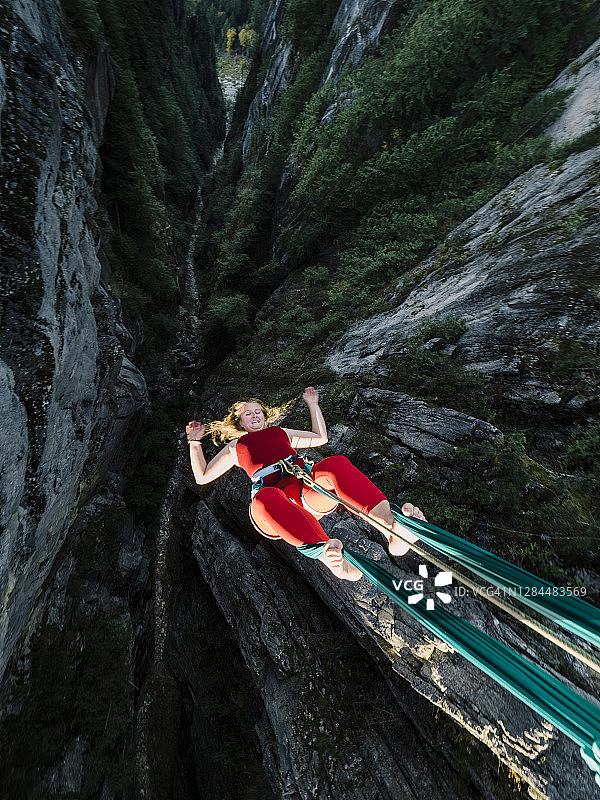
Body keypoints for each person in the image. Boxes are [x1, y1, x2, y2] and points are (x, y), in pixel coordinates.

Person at [186, 387, 425, 581]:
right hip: (274, 507)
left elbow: (320, 437)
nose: (255, 415)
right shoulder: (236, 447)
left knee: (336, 464)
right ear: (239, 421)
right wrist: (194, 443)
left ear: (265, 416)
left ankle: (391, 529)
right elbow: (203, 476)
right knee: (264, 497)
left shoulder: (280, 432)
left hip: (305, 489)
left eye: (258, 411)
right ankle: (329, 557)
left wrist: (313, 405)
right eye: (248, 414)